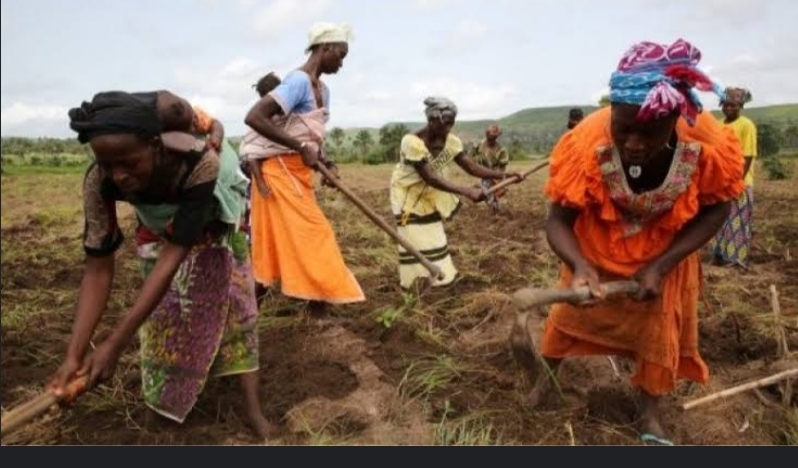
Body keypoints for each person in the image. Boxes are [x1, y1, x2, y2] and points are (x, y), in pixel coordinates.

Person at [529, 39, 745, 446]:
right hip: (594, 249)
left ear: (675, 119)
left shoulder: (706, 140)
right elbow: (557, 221)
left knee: (657, 331)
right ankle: (546, 379)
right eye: (624, 128)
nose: (632, 144)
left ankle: (649, 412)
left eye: (648, 132)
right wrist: (579, 266)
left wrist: (660, 267)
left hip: (666, 254)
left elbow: (718, 208)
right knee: (568, 317)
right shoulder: (586, 140)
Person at [47, 91, 276, 439]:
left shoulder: (200, 162)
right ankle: (163, 411)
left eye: (128, 163)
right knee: (163, 320)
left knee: (237, 310)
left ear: (156, 144)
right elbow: (98, 268)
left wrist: (113, 344)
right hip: (157, 226)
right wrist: (73, 356)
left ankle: (252, 409)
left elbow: (174, 253)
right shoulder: (99, 181)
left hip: (212, 217)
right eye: (108, 164)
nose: (119, 175)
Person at [242, 22, 365, 318]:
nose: (342, 62)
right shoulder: (297, 82)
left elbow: (311, 137)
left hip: (298, 175)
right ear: (325, 49)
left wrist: (326, 164)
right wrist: (300, 148)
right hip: (279, 173)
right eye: (341, 54)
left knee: (278, 240)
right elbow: (255, 117)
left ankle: (253, 309)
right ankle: (316, 306)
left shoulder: (323, 90)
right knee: (315, 233)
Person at [389, 97, 521, 289]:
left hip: (429, 195)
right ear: (432, 121)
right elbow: (430, 177)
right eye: (444, 124)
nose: (447, 129)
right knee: (413, 237)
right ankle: (413, 283)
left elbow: (472, 167)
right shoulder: (411, 142)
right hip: (407, 195)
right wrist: (467, 191)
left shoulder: (451, 142)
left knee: (434, 234)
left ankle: (440, 277)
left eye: (451, 124)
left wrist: (505, 174)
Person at [708, 87, 757, 268]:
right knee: (719, 220)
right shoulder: (718, 125)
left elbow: (748, 155)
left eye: (733, 105)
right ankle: (719, 256)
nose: (728, 108)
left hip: (739, 183)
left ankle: (736, 260)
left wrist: (737, 182)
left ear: (740, 106)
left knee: (738, 221)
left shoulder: (747, 125)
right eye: (726, 104)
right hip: (720, 182)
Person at [472, 123, 510, 214]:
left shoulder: (501, 150)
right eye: (490, 135)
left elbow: (502, 167)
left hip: (495, 173)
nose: (492, 138)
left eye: (494, 136)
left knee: (499, 190)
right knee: (486, 192)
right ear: (487, 134)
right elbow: (472, 156)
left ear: (497, 137)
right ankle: (493, 204)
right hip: (483, 173)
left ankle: (494, 205)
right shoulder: (480, 144)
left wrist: (499, 179)